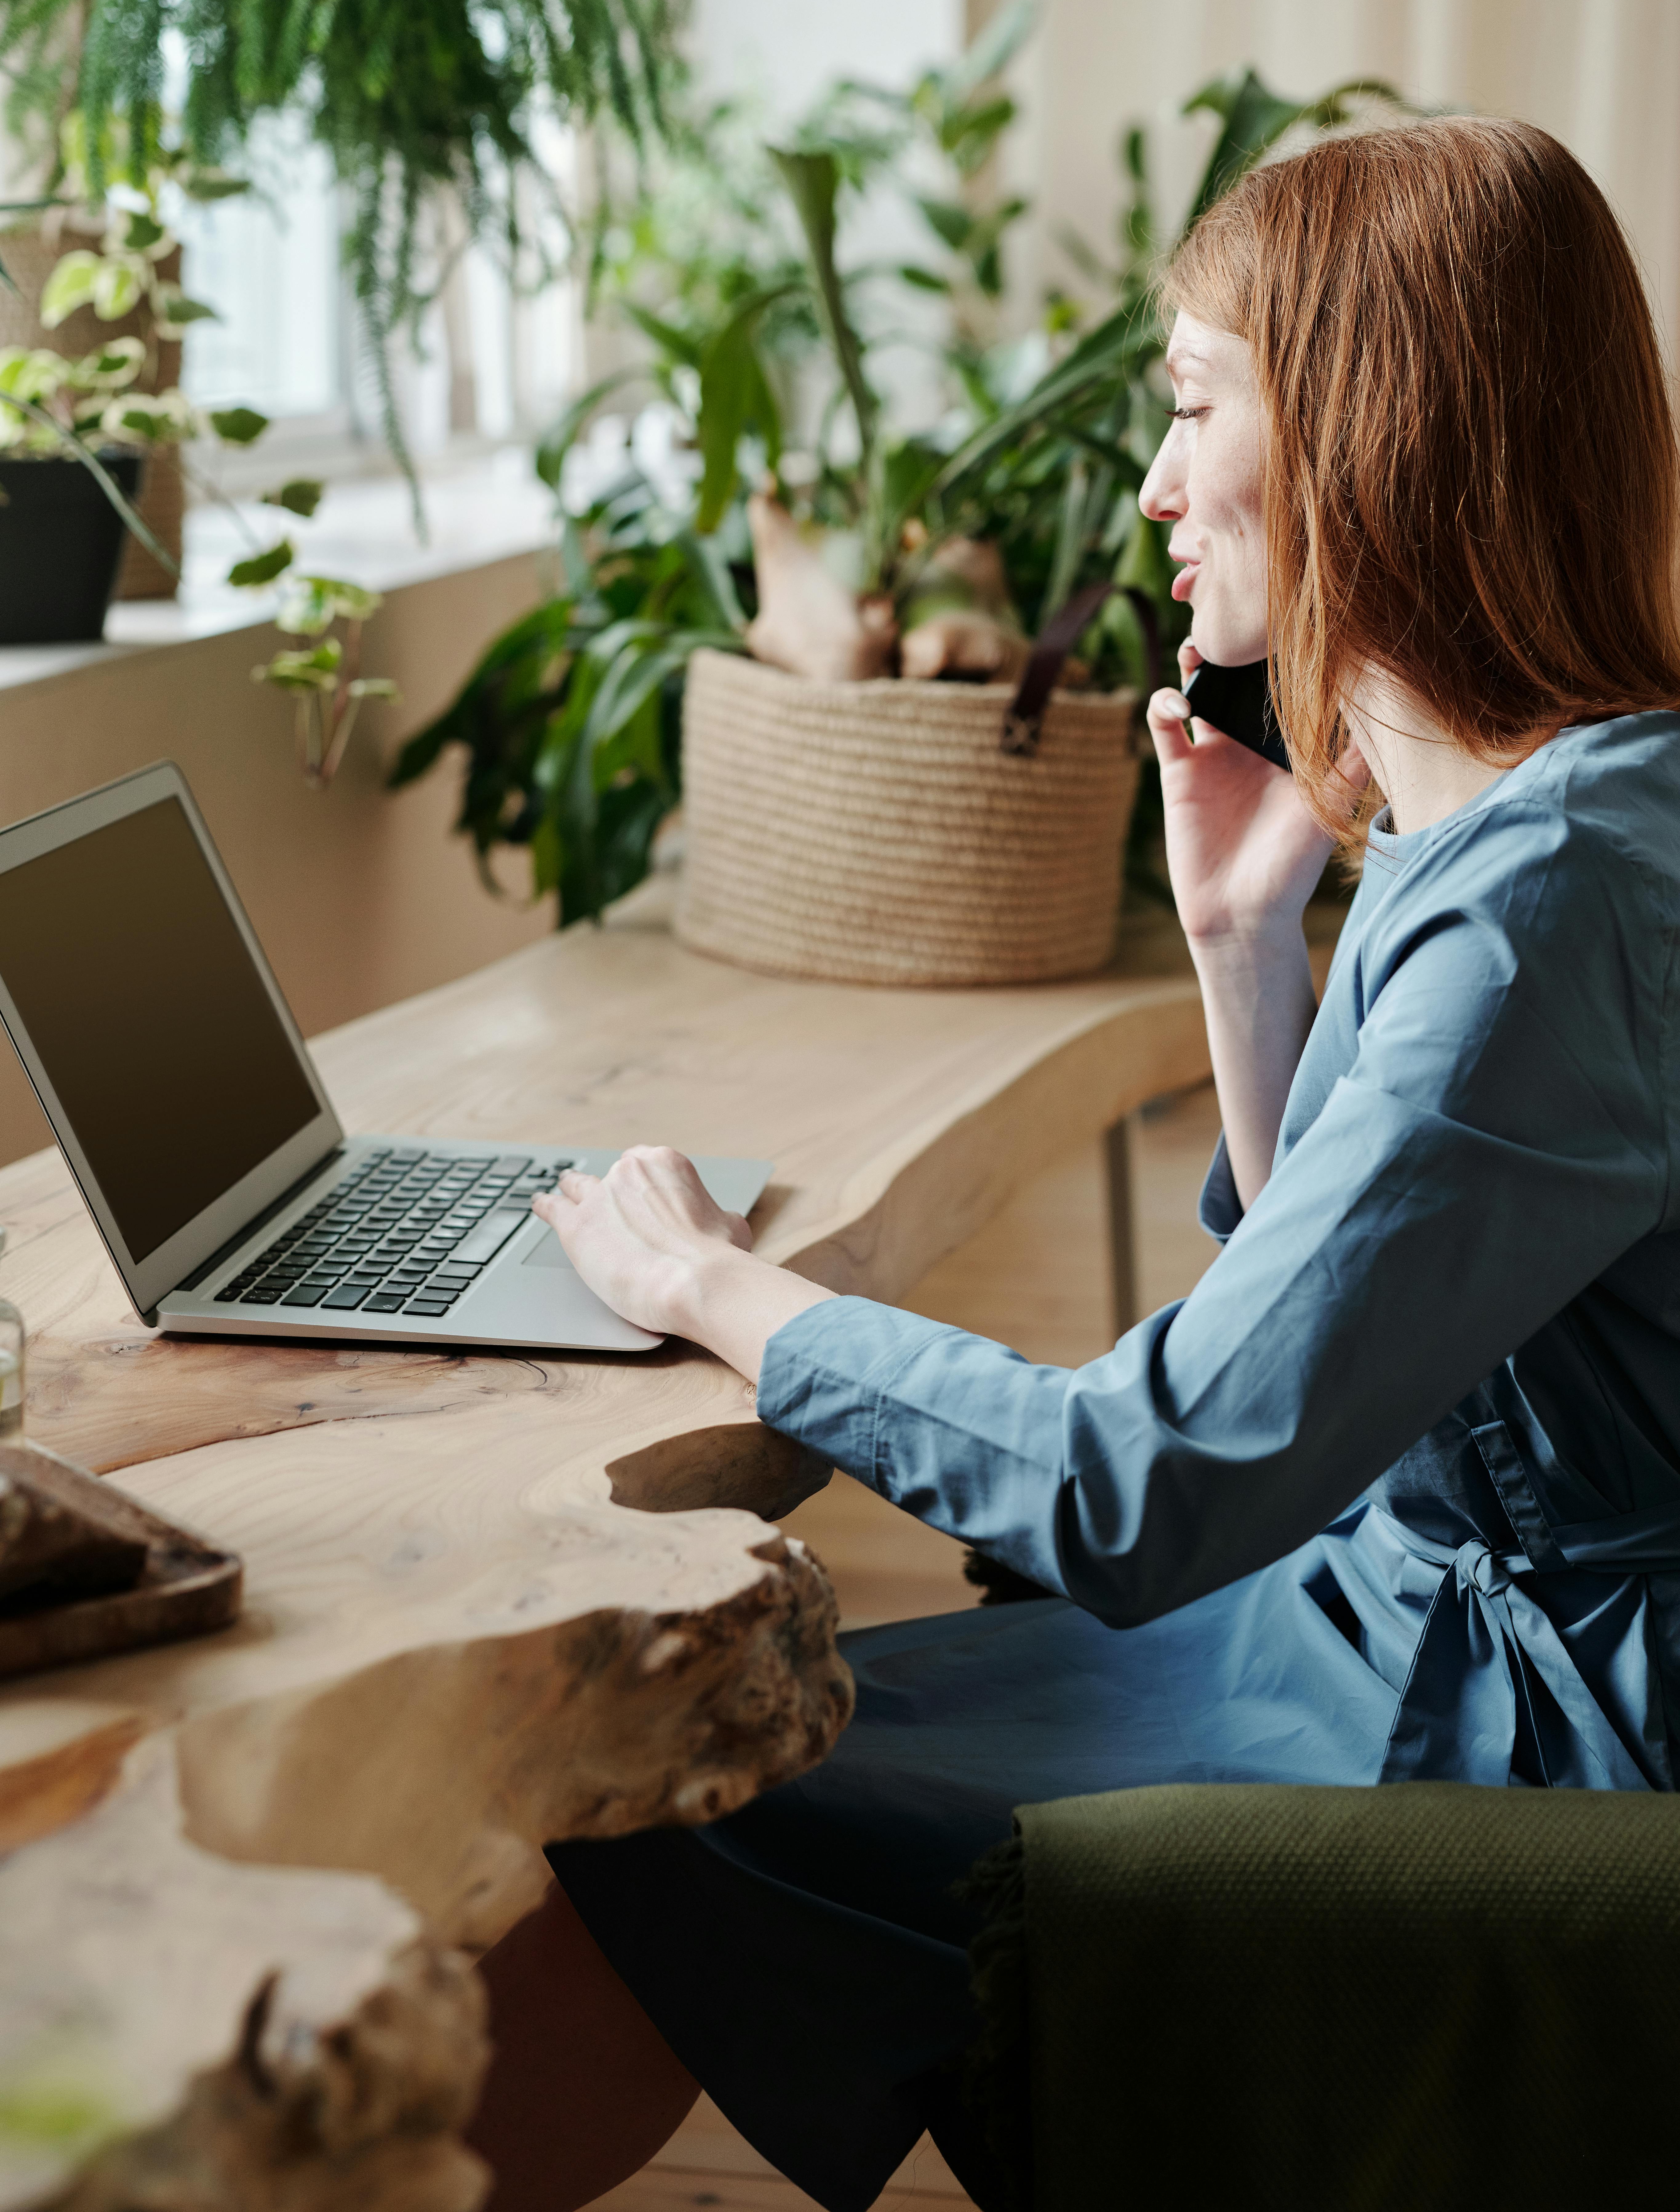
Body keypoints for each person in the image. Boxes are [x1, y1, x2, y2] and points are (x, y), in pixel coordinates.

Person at [469, 117, 1680, 2212]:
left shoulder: (1541, 904)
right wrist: (1241, 952)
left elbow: (1145, 1485)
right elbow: (1377, 1343)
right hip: (1396, 1601)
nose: (1150, 485)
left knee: (664, 1769)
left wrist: (710, 1289)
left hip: (1534, 1725)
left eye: (1192, 406)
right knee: (686, 1743)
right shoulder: (1556, 810)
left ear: (1364, 440)